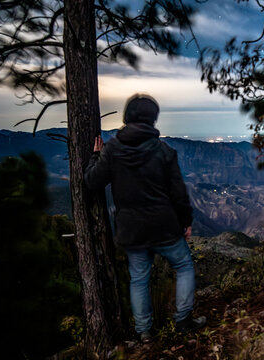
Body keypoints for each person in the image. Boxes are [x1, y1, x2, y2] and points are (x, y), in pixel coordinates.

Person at [84, 94, 206, 343]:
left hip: (132, 231)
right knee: (183, 266)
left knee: (139, 279)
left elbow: (92, 182)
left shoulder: (113, 150)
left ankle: (144, 332)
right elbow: (178, 192)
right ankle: (183, 320)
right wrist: (186, 221)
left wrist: (95, 156)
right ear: (153, 119)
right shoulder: (163, 150)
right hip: (165, 227)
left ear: (127, 117)